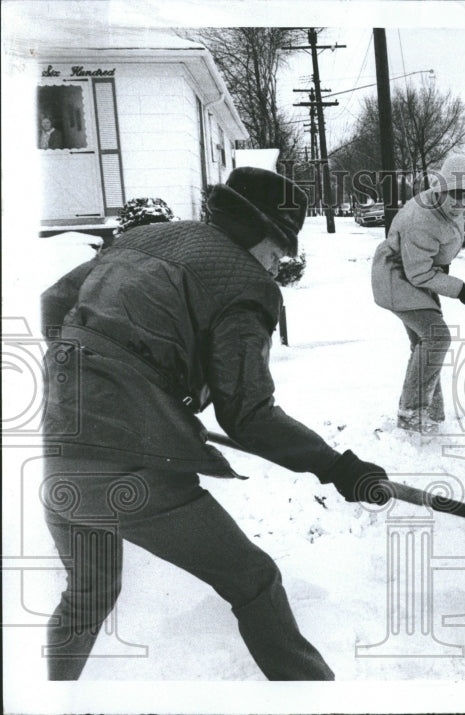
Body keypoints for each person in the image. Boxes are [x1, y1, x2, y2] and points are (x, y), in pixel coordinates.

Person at [40, 167, 389, 680]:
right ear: (252, 232)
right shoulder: (246, 285)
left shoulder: (140, 239)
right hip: (130, 466)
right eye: (276, 250)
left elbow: (53, 306)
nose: (276, 265)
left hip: (58, 447)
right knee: (253, 580)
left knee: (89, 595)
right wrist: (337, 467)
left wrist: (108, 384)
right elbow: (249, 415)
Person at [371, 154, 465, 434]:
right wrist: (459, 289)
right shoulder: (421, 219)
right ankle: (412, 413)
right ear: (441, 189)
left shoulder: (446, 209)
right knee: (436, 337)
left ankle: (431, 412)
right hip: (397, 277)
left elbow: (437, 253)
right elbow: (418, 273)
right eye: (454, 195)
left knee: (425, 343)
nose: (459, 203)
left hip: (416, 275)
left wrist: (448, 280)